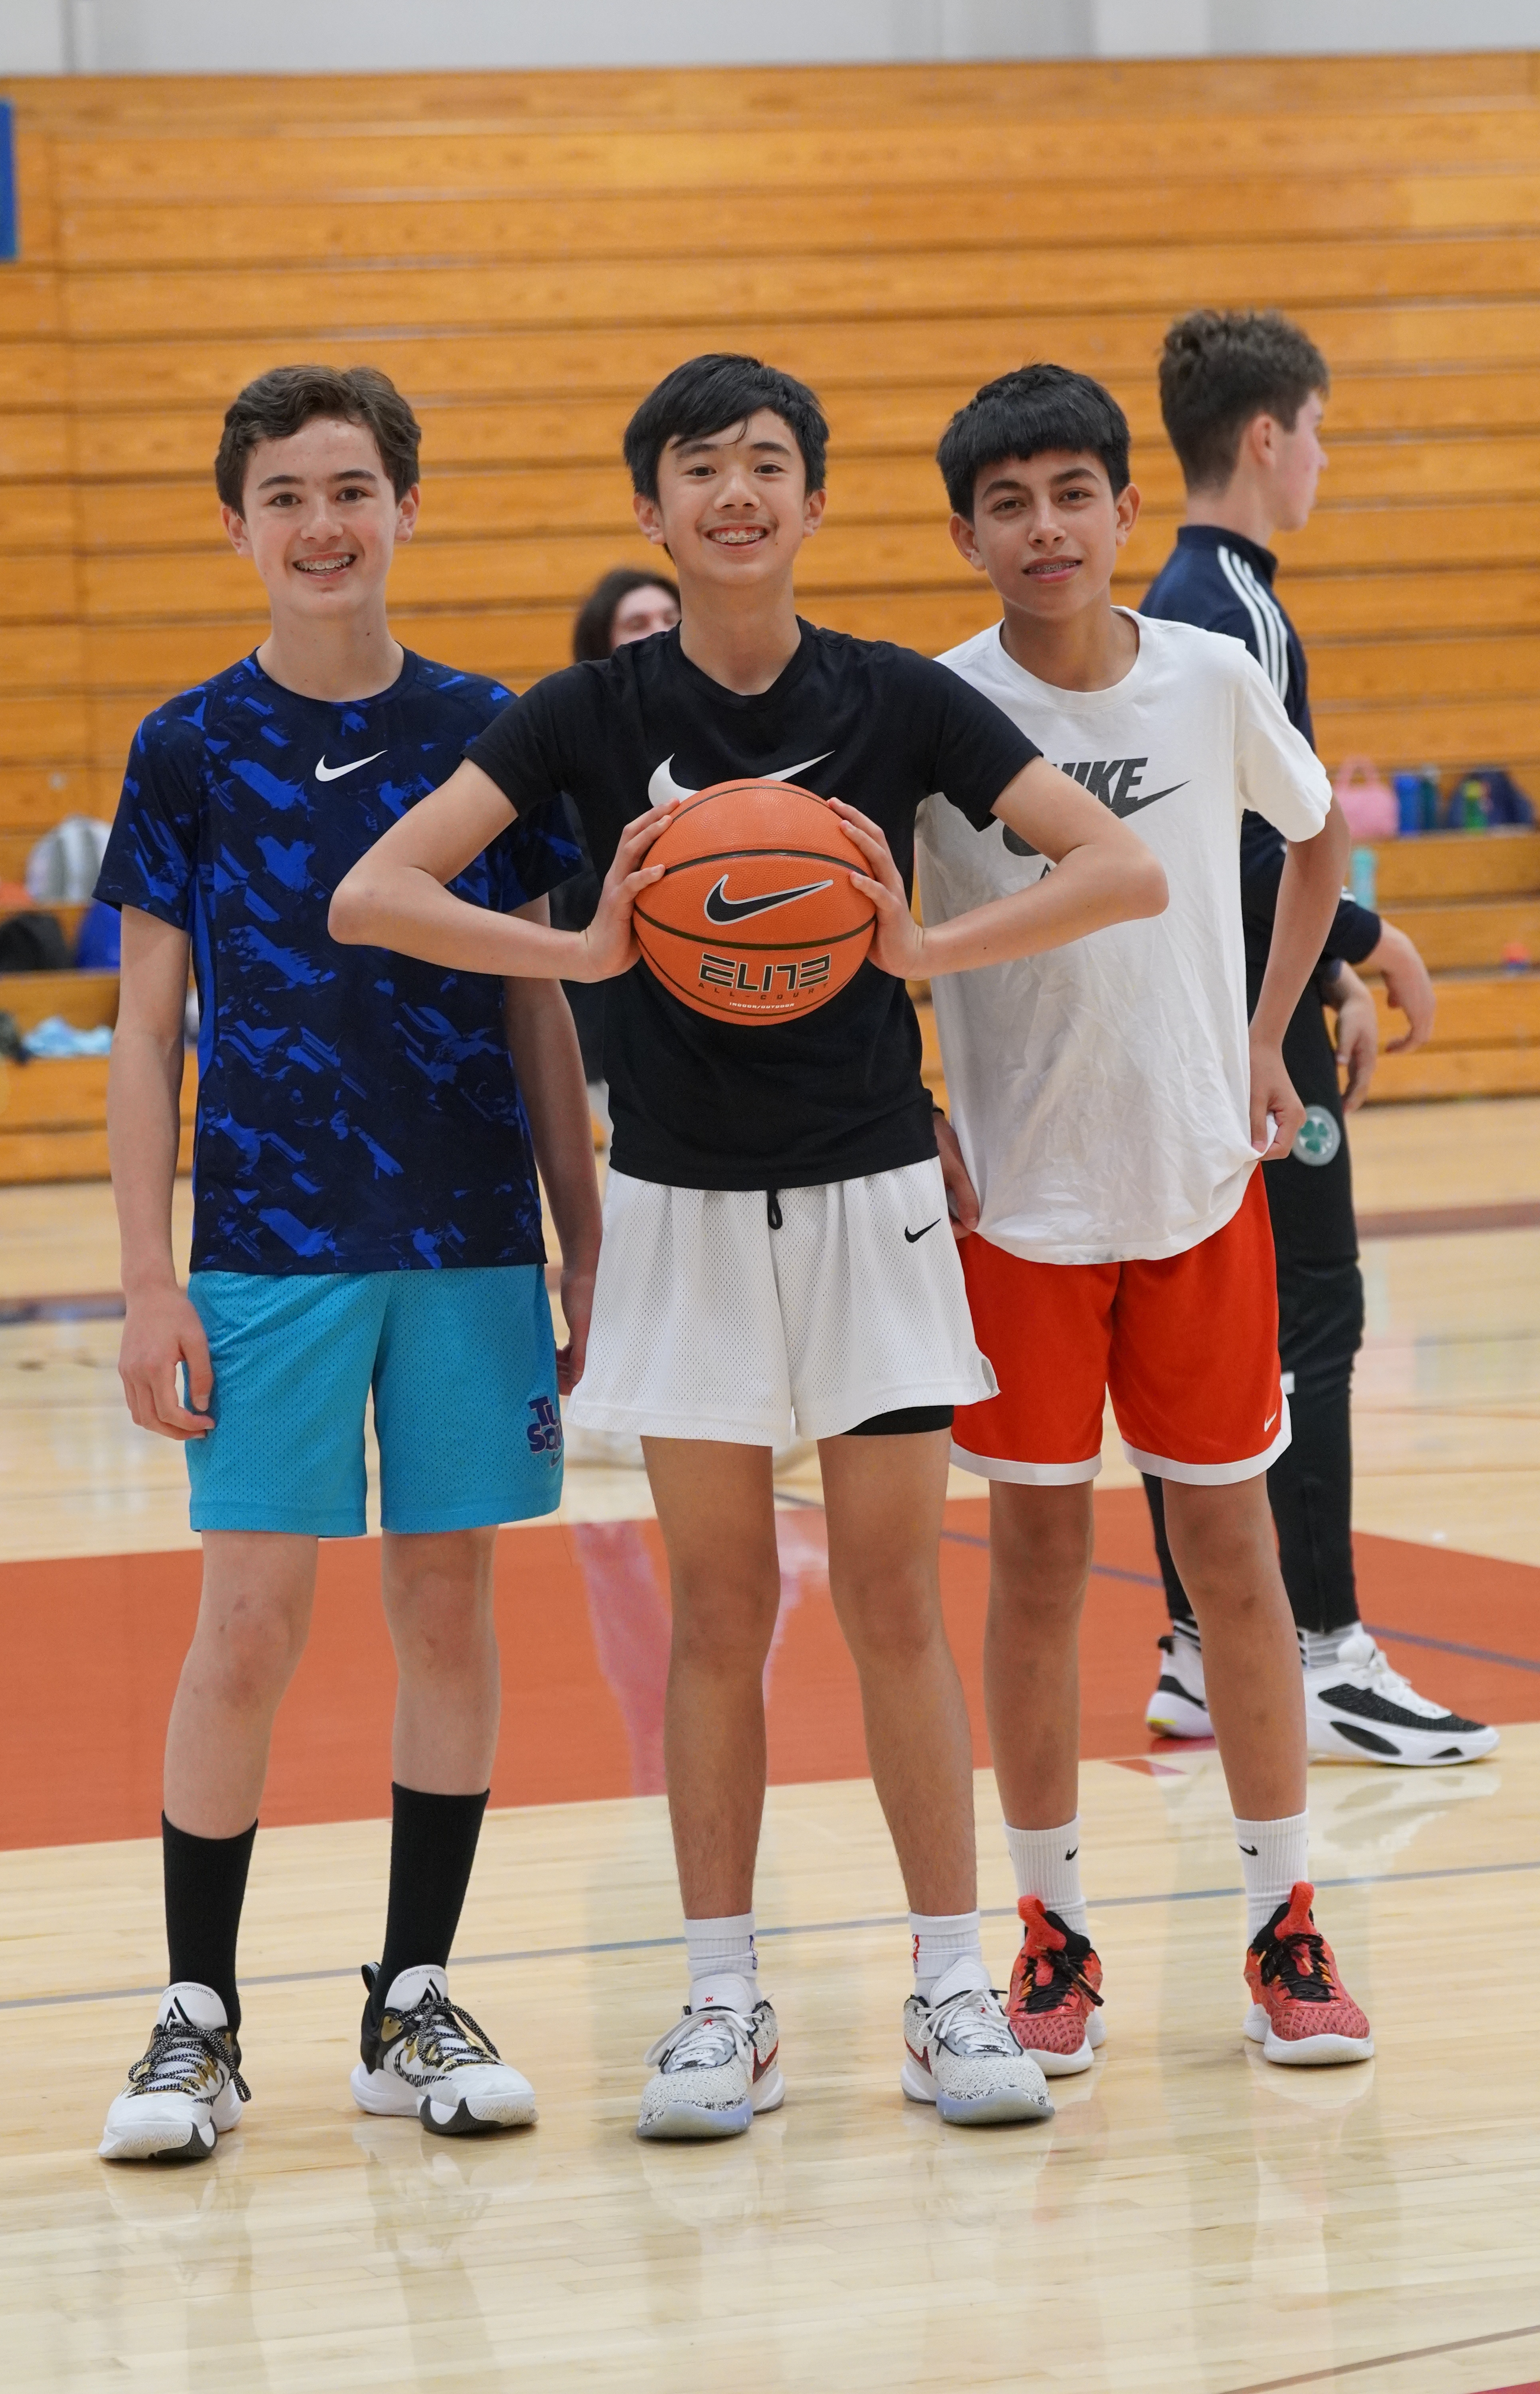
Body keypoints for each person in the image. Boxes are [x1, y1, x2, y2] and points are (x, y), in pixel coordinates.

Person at [330, 350, 1166, 2140]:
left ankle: (951, 1986)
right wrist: (589, 951)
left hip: (870, 1204)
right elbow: (373, 893)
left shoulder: (891, 703)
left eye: (766, 464)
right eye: (699, 468)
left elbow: (1119, 866)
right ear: (651, 508)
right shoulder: (580, 713)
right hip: (685, 1214)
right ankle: (724, 2001)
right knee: (715, 1617)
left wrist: (925, 958)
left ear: (811, 497)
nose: (733, 494)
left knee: (889, 1609)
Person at [93, 364, 598, 2165]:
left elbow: (540, 1010)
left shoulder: (491, 730)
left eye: (355, 488)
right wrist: (150, 1280)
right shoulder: (186, 745)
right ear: (235, 523)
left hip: (465, 1246)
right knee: (250, 1624)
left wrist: (581, 1235)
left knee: (448, 1617)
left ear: (406, 508)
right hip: (265, 1250)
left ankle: (410, 1997)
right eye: (288, 493)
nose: (324, 523)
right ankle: (198, 2018)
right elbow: (150, 1033)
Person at [919, 362, 1374, 2074]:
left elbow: (1316, 844)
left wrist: (1260, 1043)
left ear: (1122, 508)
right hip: (1021, 1210)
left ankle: (1284, 1923)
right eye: (1009, 503)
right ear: (964, 532)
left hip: (1194, 1187)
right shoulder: (934, 707)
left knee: (1234, 1565)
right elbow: (855, 933)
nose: (1045, 528)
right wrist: (920, 1107)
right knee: (1034, 1567)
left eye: (1072, 493)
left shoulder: (1204, 678)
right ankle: (1050, 1934)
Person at [1141, 309, 1497, 1767]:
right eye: (1324, 431)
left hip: (1224, 1018)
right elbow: (1241, 850)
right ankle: (1325, 1648)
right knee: (1313, 1326)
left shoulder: (1183, 595)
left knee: (1229, 1342)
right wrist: (1360, 945)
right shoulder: (1238, 607)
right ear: (1269, 436)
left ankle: (1197, 1650)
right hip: (1238, 1039)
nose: (1326, 461)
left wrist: (1319, 974)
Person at [551, 567, 682, 1132]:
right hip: (620, 1027)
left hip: (730, 1013)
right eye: (637, 623)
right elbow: (568, 897)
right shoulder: (573, 744)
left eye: (670, 618)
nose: (658, 631)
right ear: (602, 644)